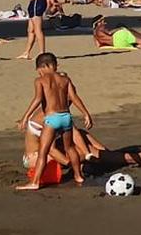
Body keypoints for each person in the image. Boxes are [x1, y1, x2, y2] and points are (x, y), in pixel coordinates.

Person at [15, 52, 91, 190]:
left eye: (39, 70)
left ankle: (35, 182)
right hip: (66, 117)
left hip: (52, 118)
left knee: (43, 152)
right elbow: (74, 98)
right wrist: (86, 113)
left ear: (45, 66)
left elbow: (37, 100)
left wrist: (25, 116)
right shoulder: (65, 80)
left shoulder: (40, 81)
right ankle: (78, 176)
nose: (39, 73)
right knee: (70, 148)